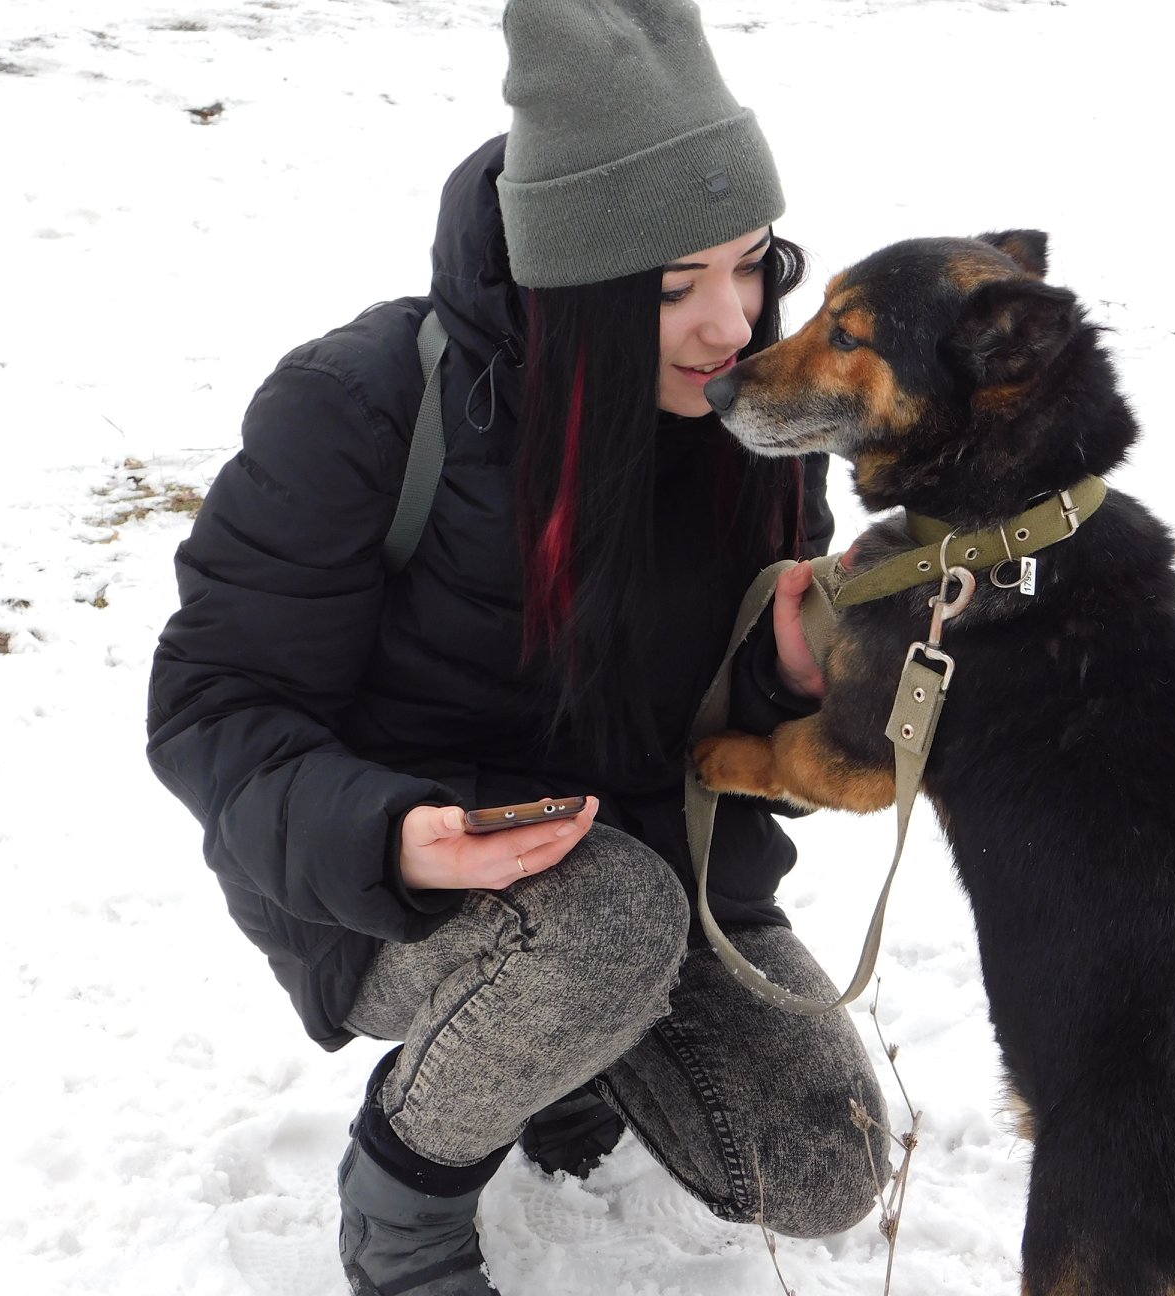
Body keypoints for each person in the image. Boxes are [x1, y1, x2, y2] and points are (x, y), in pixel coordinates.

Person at [145, 2, 889, 1292]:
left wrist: (785, 684)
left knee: (824, 1164)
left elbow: (714, 733)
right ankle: (404, 1212)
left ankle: (562, 1050)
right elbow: (213, 707)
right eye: (673, 288)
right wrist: (392, 836)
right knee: (602, 928)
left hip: (647, 870)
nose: (732, 325)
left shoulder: (754, 419)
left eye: (753, 264)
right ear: (573, 284)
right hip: (386, 880)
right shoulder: (361, 405)